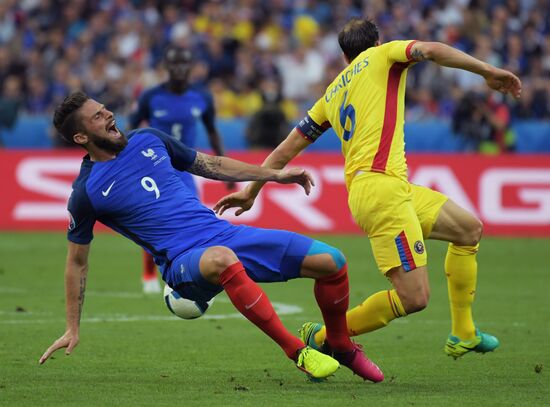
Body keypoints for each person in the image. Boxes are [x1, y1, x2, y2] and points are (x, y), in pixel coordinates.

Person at [214, 17, 522, 359]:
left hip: (387, 187)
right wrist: (488, 71)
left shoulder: (330, 94)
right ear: (375, 44)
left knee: (468, 230)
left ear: (345, 57)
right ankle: (326, 336)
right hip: (381, 191)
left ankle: (463, 332)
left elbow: (286, 149)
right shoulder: (384, 56)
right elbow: (432, 50)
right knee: (414, 298)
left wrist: (251, 191)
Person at [38, 91, 383, 383]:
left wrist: (273, 175)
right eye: (97, 116)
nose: (109, 114)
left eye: (104, 108)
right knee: (222, 259)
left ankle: (340, 345)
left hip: (222, 234)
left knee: (332, 262)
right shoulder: (86, 192)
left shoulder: (148, 138)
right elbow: (77, 262)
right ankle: (297, 351)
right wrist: (72, 327)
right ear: (81, 137)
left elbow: (212, 164)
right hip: (182, 263)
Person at [129, 44, 233, 294]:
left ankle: (187, 273)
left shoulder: (202, 97)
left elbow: (211, 130)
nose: (179, 68)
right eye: (174, 63)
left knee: (192, 220)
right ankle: (148, 274)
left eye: (184, 63)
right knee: (154, 221)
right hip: (154, 166)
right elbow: (130, 130)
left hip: (186, 168)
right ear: (165, 67)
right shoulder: (150, 97)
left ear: (191, 66)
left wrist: (224, 168)